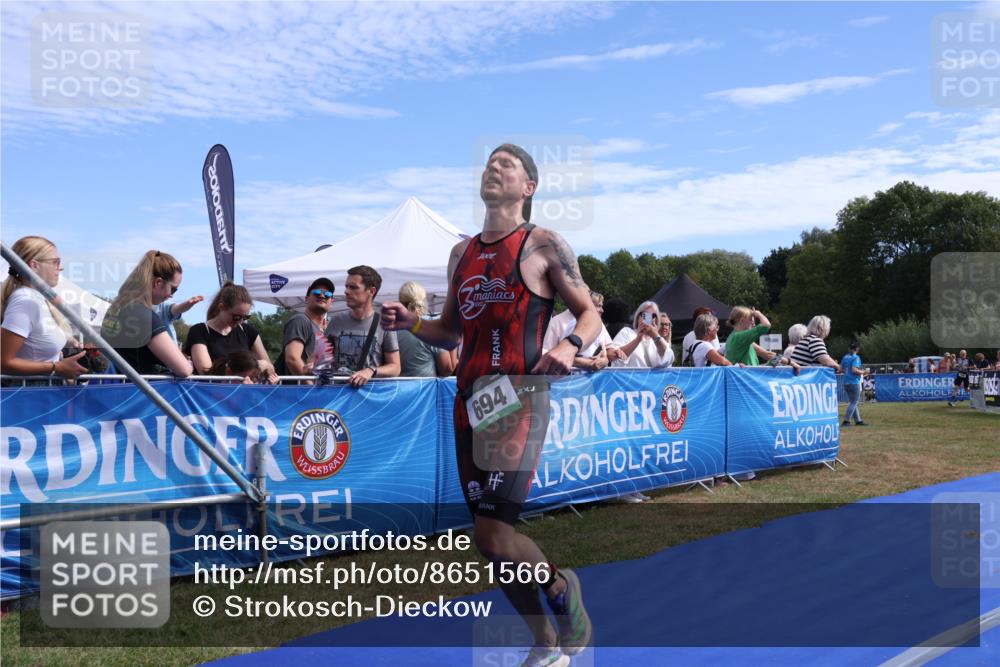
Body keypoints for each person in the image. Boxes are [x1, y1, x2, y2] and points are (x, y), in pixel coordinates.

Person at [381, 143, 598, 667]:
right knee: (491, 546)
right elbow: (449, 329)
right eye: (489, 162)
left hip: (519, 397)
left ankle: (561, 587)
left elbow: (589, 312)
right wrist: (413, 325)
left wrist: (570, 345)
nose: (494, 168)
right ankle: (544, 644)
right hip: (469, 401)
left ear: (529, 187)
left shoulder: (543, 244)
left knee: (494, 532)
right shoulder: (462, 253)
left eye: (508, 164)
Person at [1, 236, 86, 380]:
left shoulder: (37, 298)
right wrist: (57, 368)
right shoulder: (26, 300)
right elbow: (3, 362)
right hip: (28, 397)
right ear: (34, 265)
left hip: (38, 395)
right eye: (55, 262)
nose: (61, 267)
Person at [100, 250, 192, 377]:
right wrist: (190, 365)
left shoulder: (117, 308)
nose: (171, 295)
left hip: (118, 391)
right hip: (141, 393)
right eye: (173, 289)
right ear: (158, 282)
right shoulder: (144, 316)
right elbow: (184, 370)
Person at [184, 282, 277, 383]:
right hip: (213, 395)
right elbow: (207, 374)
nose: (241, 321)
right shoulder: (199, 331)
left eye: (245, 317)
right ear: (221, 307)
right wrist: (256, 366)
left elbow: (270, 369)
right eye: (236, 317)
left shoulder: (248, 331)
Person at [327, 265, 400, 388]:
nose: (346, 291)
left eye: (353, 287)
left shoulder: (384, 323)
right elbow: (318, 359)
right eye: (346, 286)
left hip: (370, 398)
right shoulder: (336, 321)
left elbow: (395, 367)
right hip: (338, 397)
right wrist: (314, 365)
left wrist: (371, 371)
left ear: (371, 291)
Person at [542, 290, 621, 371]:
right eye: (598, 306)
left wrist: (608, 358)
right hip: (565, 380)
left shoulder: (599, 324)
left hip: (593, 380)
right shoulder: (557, 322)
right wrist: (586, 363)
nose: (602, 310)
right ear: (587, 304)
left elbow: (608, 350)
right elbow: (546, 354)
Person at [274, 278, 336, 377]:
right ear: (306, 299)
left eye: (327, 294)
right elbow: (292, 359)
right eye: (317, 292)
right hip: (298, 390)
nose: (322, 295)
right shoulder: (300, 320)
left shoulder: (326, 330)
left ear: (331, 302)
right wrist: (309, 384)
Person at [395, 281, 456, 377]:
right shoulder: (430, 327)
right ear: (423, 300)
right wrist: (452, 337)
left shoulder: (393, 328)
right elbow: (447, 370)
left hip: (399, 389)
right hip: (426, 390)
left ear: (401, 302)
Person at [612, 301, 674, 368]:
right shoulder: (627, 332)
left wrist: (654, 335)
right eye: (645, 315)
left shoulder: (658, 338)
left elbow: (668, 358)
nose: (649, 318)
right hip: (630, 377)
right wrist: (638, 338)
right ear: (638, 317)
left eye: (653, 316)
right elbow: (615, 357)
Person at [840, 342, 868, 426]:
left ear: (849, 348)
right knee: (854, 402)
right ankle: (846, 421)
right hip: (854, 382)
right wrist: (863, 372)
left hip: (846, 382)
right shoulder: (856, 357)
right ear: (857, 349)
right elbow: (854, 370)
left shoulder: (845, 357)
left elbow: (841, 369)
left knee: (853, 402)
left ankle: (858, 421)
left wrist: (848, 373)